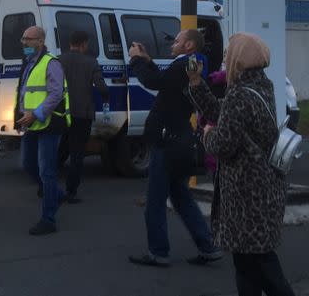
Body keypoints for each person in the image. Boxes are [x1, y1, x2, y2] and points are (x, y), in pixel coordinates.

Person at [187, 33, 294, 296]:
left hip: (246, 197)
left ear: (240, 59)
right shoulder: (261, 86)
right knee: (248, 264)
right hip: (261, 190)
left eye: (228, 54)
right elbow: (218, 111)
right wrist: (196, 82)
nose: (224, 60)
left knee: (260, 264)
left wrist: (208, 135)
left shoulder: (240, 95)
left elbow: (223, 145)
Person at [127, 29, 221, 267]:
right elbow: (166, 83)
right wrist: (148, 61)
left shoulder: (185, 65)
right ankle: (207, 246)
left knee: (156, 200)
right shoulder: (190, 65)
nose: (172, 44)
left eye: (177, 41)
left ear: (189, 45)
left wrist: (137, 60)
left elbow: (154, 82)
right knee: (181, 197)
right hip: (179, 140)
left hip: (168, 141)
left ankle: (158, 251)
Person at [15, 26, 71, 235]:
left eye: (28, 39)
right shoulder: (29, 63)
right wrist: (20, 117)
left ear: (40, 41)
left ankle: (49, 219)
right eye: (23, 38)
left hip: (48, 123)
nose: (24, 43)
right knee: (28, 165)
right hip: (32, 123)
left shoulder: (51, 62)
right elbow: (24, 93)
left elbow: (55, 94)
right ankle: (56, 194)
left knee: (47, 171)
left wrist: (35, 113)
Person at [58, 30, 108, 204]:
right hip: (83, 114)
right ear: (84, 44)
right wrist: (106, 97)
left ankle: (47, 187)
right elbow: (101, 86)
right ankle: (71, 192)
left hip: (62, 114)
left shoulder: (58, 60)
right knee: (77, 153)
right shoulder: (91, 62)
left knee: (58, 151)